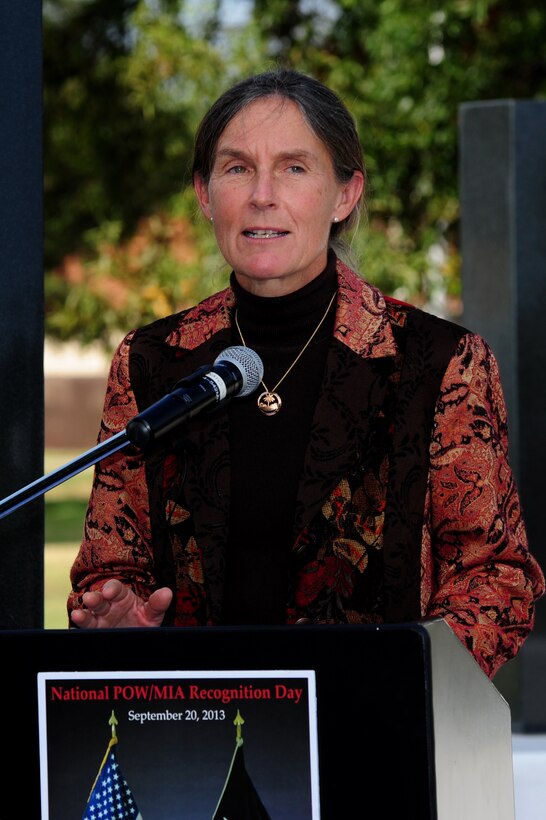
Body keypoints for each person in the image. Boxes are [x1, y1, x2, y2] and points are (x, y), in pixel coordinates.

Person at [68, 67, 544, 679]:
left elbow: (497, 577)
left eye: (294, 167)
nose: (262, 194)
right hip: (202, 734)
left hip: (374, 739)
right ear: (205, 194)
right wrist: (118, 612)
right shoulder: (154, 362)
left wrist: (400, 676)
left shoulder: (439, 361)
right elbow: (113, 565)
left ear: (345, 194)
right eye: (237, 168)